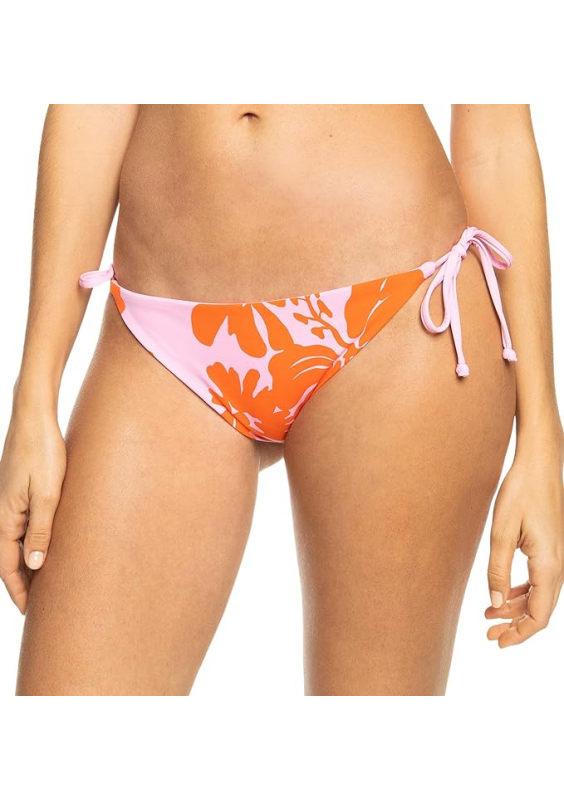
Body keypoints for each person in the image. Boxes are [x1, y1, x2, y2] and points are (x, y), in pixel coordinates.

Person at [0, 104, 562, 696]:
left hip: (401, 307)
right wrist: (34, 396)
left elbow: (495, 140)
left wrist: (541, 443)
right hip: (161, 327)